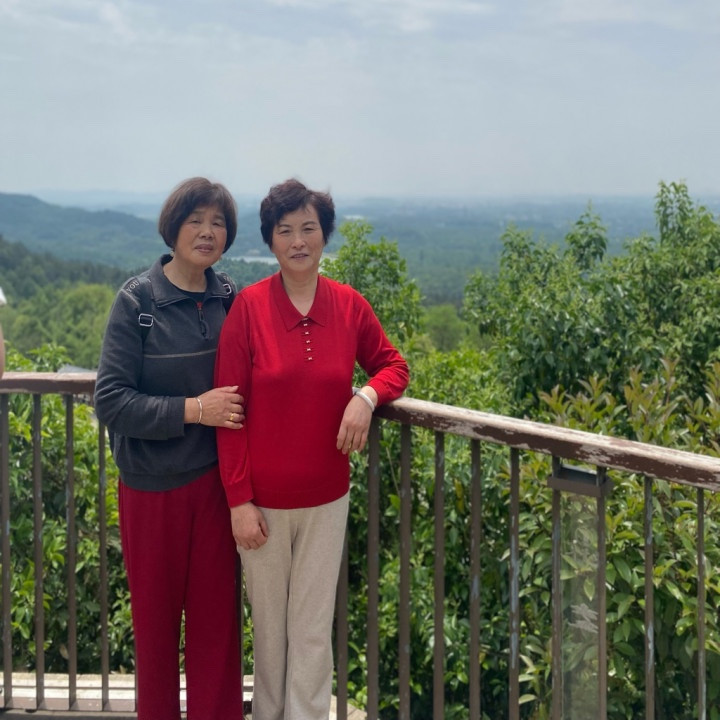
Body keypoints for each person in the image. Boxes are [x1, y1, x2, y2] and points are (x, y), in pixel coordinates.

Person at [215, 178, 409, 720]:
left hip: (327, 500)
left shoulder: (348, 306)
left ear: (324, 235)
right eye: (285, 231)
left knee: (311, 630)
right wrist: (238, 500)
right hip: (262, 506)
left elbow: (394, 366)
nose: (298, 241)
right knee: (269, 630)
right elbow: (229, 414)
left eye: (308, 228)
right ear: (270, 240)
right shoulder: (249, 309)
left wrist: (366, 398)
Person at [94, 177, 246, 720]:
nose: (207, 232)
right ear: (173, 228)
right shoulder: (137, 301)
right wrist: (194, 409)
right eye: (195, 220)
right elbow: (111, 401)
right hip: (151, 491)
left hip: (216, 488)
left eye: (218, 222)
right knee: (156, 632)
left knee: (218, 631)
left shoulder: (229, 297)